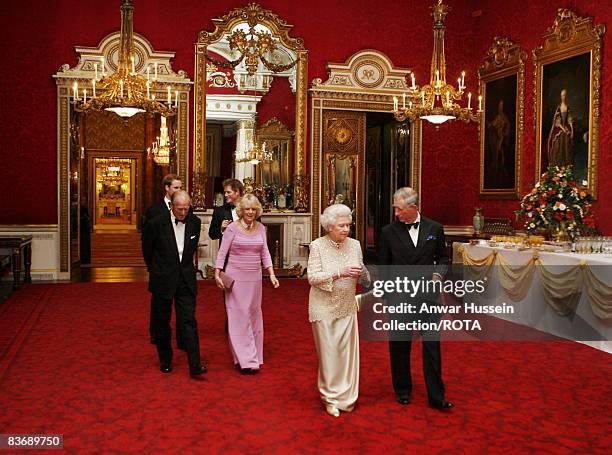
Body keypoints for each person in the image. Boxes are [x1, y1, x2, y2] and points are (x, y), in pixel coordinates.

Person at [378, 187, 452, 411]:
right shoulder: (388, 232)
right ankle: (403, 390)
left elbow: (443, 258)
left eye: (399, 210)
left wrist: (439, 273)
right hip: (400, 297)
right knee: (400, 345)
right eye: (395, 209)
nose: (397, 214)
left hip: (429, 298)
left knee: (432, 345)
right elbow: (384, 267)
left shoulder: (435, 228)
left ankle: (437, 396)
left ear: (413, 207)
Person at [307, 204, 367, 418]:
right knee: (329, 355)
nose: (345, 230)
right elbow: (312, 278)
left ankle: (346, 397)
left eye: (348, 225)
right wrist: (338, 273)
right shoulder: (317, 246)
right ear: (329, 226)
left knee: (347, 355)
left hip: (347, 306)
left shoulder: (356, 245)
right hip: (323, 307)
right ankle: (330, 398)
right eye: (341, 225)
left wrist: (365, 275)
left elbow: (361, 272)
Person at [141, 190, 206, 378]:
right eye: (180, 209)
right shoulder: (156, 223)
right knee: (162, 322)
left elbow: (190, 252)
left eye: (187, 209)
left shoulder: (195, 223)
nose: (184, 213)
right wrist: (157, 270)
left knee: (188, 321)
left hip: (185, 279)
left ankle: (195, 363)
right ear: (172, 206)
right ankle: (165, 359)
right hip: (163, 279)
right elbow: (147, 250)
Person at [214, 194, 279, 374]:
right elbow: (222, 252)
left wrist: (271, 274)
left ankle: (253, 355)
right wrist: (217, 274)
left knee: (252, 315)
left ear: (257, 211)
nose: (250, 212)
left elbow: (265, 253)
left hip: (255, 278)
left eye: (253, 209)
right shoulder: (232, 229)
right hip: (235, 279)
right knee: (238, 317)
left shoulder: (261, 228)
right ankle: (246, 360)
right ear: (241, 210)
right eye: (247, 209)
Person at [143, 174, 185, 346]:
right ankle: (157, 334)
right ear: (167, 188)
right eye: (176, 187)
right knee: (160, 307)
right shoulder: (154, 211)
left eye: (181, 187)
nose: (179, 190)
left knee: (183, 307)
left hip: (181, 271)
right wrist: (152, 266)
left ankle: (183, 337)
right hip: (161, 269)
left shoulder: (185, 210)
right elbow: (147, 244)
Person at [547, 88, 574, 168]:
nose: (563, 97)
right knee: (558, 147)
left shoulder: (567, 107)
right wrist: (563, 129)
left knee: (567, 147)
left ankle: (566, 167)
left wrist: (571, 130)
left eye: (565, 95)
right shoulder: (559, 108)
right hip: (559, 129)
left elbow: (569, 120)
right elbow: (557, 122)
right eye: (562, 95)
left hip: (566, 129)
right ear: (560, 96)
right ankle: (557, 167)